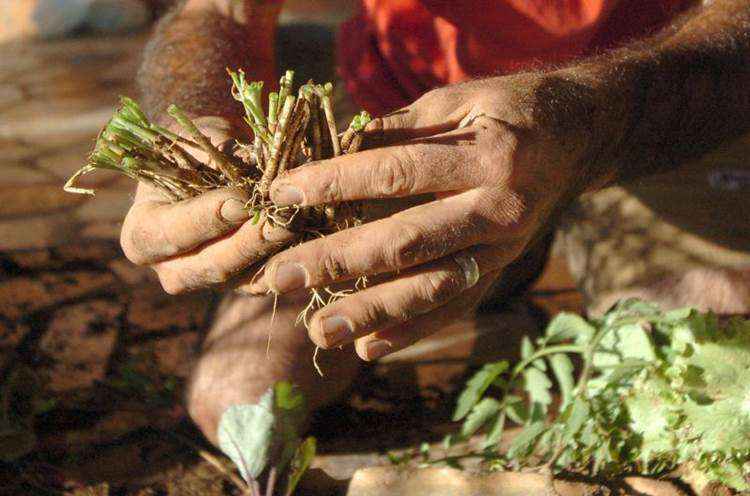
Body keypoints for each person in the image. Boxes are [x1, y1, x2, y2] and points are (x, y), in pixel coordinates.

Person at [120, 0, 750, 447]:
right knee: (239, 392)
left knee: (706, 363)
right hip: (402, 103)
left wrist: (594, 124)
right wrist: (194, 135)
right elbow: (223, 12)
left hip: (663, 95)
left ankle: (515, 270)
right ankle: (496, 287)